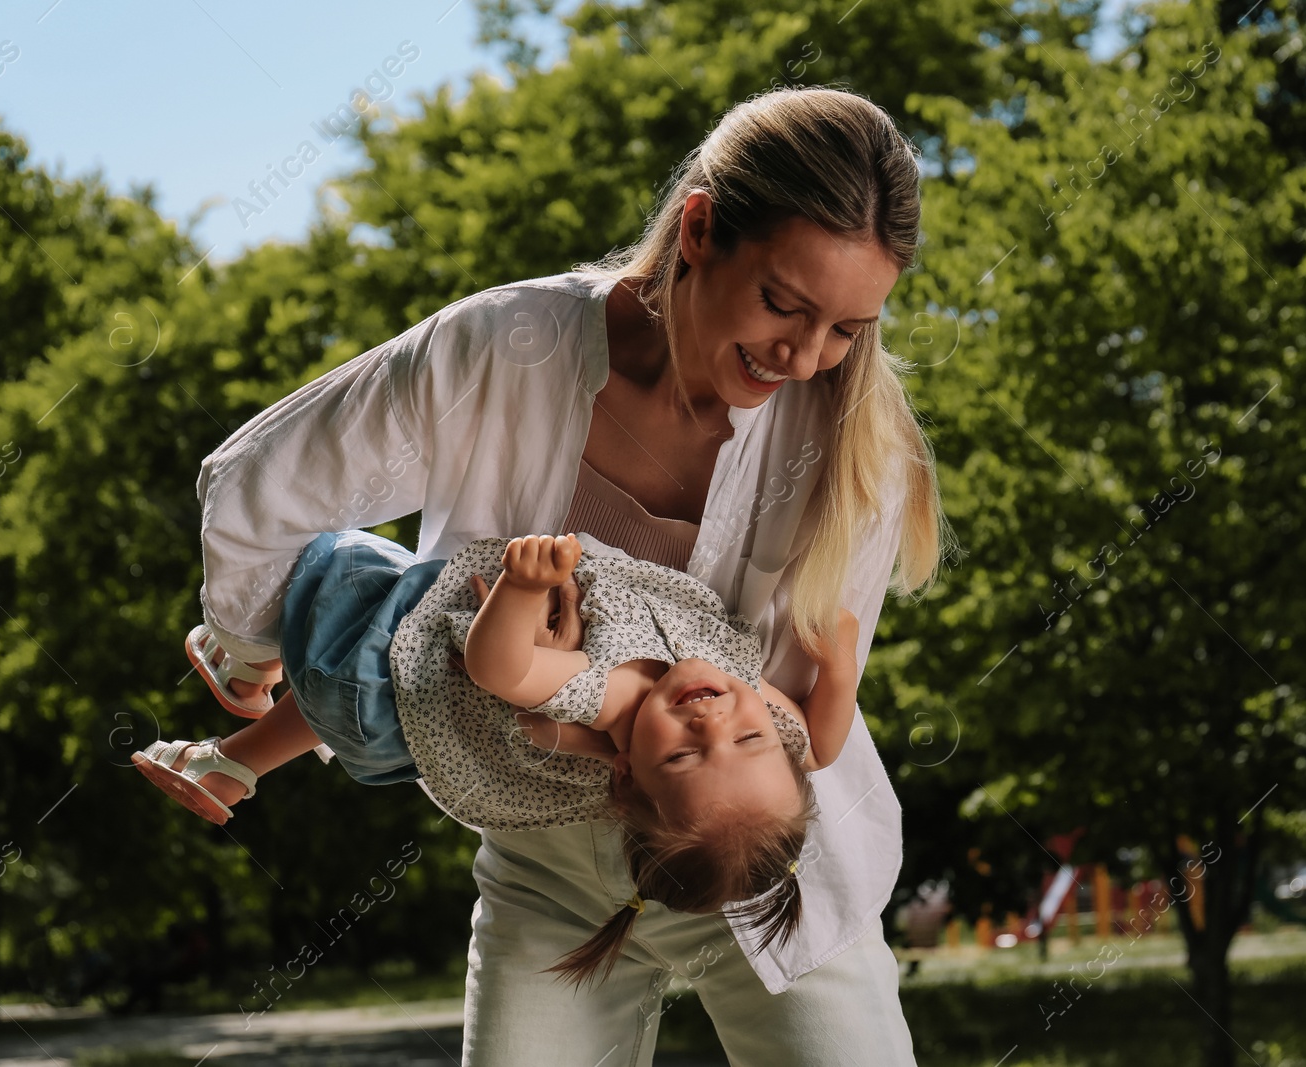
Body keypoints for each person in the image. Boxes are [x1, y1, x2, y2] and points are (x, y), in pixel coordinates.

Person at [189, 85, 950, 1064]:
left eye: (847, 328)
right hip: (548, 872)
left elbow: (803, 708)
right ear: (701, 228)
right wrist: (253, 641)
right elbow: (259, 483)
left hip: (759, 864)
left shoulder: (855, 450)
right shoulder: (503, 347)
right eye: (782, 304)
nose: (805, 357)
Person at [135, 530, 860, 980]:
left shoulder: (607, 696)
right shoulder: (768, 722)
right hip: (394, 717)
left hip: (383, 670)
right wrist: (843, 667)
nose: (713, 719)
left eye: (683, 758)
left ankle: (249, 654)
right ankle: (231, 763)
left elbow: (500, 669)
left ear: (627, 770)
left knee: (328, 563)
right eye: (748, 736)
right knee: (332, 696)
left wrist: (521, 588)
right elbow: (822, 744)